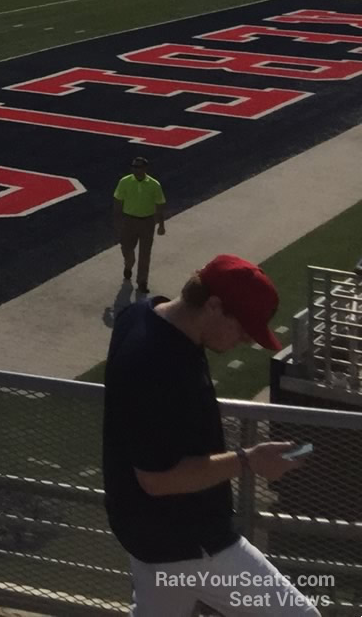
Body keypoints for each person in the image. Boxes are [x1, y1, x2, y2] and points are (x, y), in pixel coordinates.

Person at [103, 257, 316, 617]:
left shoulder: (143, 314)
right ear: (214, 305)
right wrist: (250, 460)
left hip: (155, 539)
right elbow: (157, 479)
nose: (247, 338)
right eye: (244, 327)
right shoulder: (156, 362)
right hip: (187, 543)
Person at [114, 156, 169, 292]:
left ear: (145, 169)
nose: (135, 169)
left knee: (145, 253)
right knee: (127, 248)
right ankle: (129, 264)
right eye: (134, 167)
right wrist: (118, 221)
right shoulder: (125, 182)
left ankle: (142, 282)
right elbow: (118, 201)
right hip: (129, 220)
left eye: (138, 167)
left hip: (147, 222)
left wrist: (161, 225)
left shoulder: (154, 185)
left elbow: (159, 205)